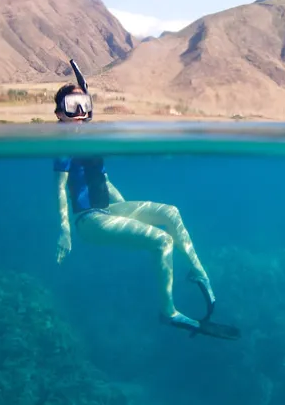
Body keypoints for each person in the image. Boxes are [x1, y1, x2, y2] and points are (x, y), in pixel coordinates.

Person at [51, 63, 237, 339]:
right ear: (59, 114)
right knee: (163, 241)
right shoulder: (63, 145)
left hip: (106, 210)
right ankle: (168, 312)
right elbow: (60, 189)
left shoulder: (89, 141)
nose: (79, 112)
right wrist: (64, 231)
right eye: (71, 106)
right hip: (88, 221)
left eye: (84, 105)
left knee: (171, 212)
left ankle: (198, 271)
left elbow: (103, 181)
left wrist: (126, 211)